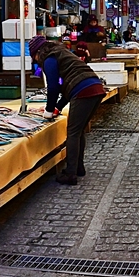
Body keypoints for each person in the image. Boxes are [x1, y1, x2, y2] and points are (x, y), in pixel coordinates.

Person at [29, 36, 105, 185]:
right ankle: (78, 167)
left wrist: (49, 110)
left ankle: (70, 174)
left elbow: (53, 87)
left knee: (73, 133)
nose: (36, 61)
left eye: (34, 57)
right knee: (79, 130)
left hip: (84, 90)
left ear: (38, 53)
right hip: (95, 86)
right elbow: (69, 88)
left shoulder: (49, 59)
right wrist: (58, 107)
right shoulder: (62, 52)